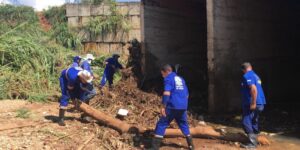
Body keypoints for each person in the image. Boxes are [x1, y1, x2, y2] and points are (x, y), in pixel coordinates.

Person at [151, 64, 194, 150]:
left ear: (166, 72)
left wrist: (163, 106)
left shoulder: (168, 78)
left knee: (162, 124)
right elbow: (187, 95)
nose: (163, 76)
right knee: (183, 124)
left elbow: (167, 93)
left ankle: (154, 147)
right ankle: (191, 145)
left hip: (172, 106)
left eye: (162, 74)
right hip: (183, 106)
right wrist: (183, 105)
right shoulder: (181, 79)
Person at [240, 62, 266, 148]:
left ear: (243, 70)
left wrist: (253, 102)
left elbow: (254, 89)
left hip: (252, 103)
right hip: (261, 103)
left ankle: (252, 144)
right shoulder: (256, 75)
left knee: (246, 121)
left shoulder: (247, 76)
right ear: (251, 67)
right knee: (254, 120)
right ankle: (256, 140)